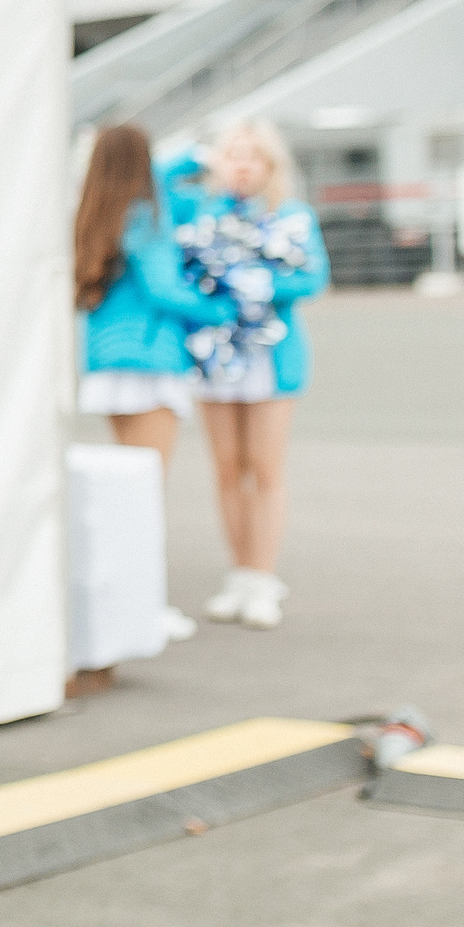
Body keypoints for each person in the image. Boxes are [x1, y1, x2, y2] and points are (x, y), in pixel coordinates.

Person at [72, 123, 235, 645]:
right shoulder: (144, 215)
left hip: (107, 361)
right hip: (151, 359)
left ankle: (135, 604)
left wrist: (188, 159)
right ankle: (145, 607)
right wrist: (226, 308)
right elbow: (165, 288)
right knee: (145, 495)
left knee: (130, 488)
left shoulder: (99, 208)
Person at [167, 118, 330, 631]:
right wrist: (197, 157)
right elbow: (153, 182)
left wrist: (256, 285)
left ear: (270, 165)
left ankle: (262, 578)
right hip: (215, 355)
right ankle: (239, 572)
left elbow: (313, 276)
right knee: (226, 468)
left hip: (270, 356)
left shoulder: (291, 216)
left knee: (265, 468)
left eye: (253, 155)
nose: (242, 165)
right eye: (233, 154)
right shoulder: (198, 211)